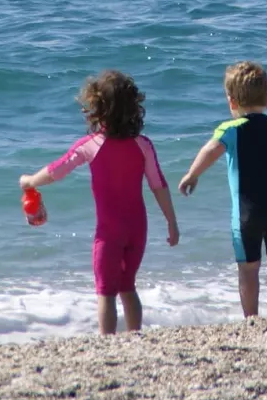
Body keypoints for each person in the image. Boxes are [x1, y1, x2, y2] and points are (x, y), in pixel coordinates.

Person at [19, 70, 179, 335]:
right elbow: (158, 185)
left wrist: (30, 181)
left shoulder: (90, 145)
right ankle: (135, 336)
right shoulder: (143, 145)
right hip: (137, 229)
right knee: (128, 286)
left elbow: (58, 170)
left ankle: (107, 344)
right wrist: (172, 222)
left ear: (98, 110)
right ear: (134, 109)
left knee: (105, 291)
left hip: (109, 233)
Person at [178, 61, 267, 317]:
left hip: (246, 213)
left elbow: (210, 150)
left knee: (248, 268)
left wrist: (193, 174)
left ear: (231, 102)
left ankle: (251, 317)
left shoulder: (230, 130)